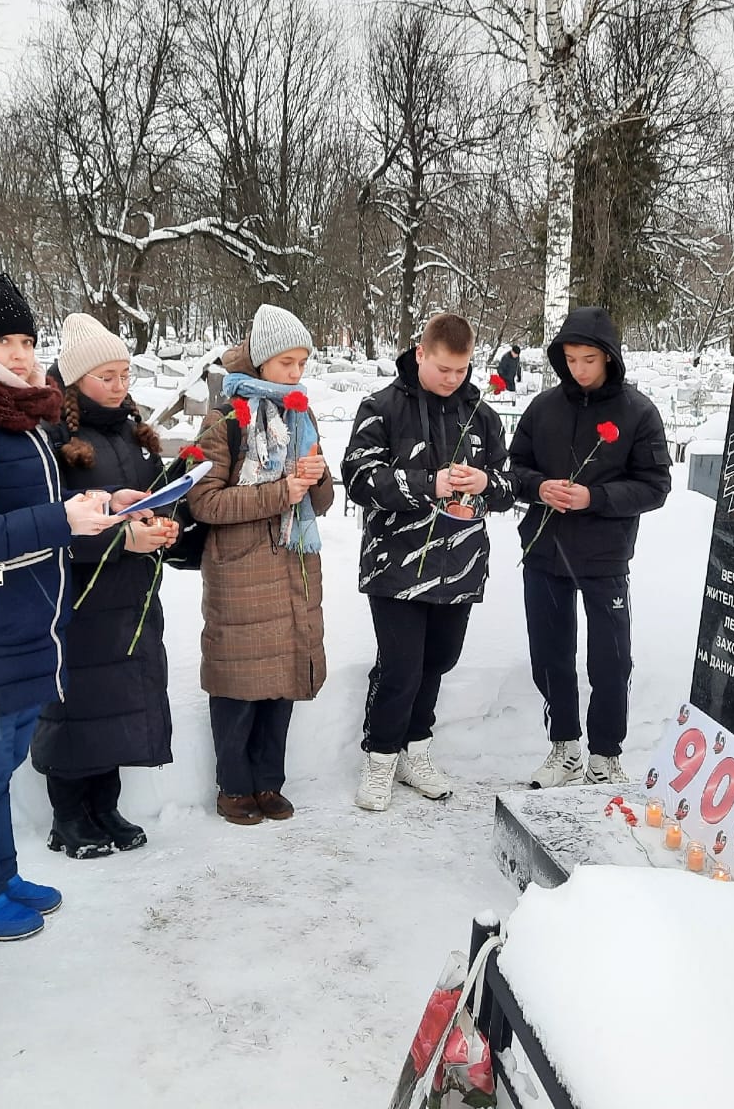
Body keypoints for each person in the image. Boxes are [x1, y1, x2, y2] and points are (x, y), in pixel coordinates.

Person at [0, 275, 143, 941]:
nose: (18, 353)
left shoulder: (14, 412)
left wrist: (102, 505)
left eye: (25, 340)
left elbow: (37, 509)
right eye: (1, 341)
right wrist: (60, 520)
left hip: (24, 623)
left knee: (1, 760)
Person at [342, 312, 516, 811]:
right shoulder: (381, 407)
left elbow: (507, 488)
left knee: (438, 663)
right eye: (442, 368)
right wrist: (427, 486)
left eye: (460, 371)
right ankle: (380, 758)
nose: (452, 379)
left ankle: (416, 749)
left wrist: (483, 488)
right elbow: (357, 478)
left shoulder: (480, 413)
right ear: (420, 353)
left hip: (459, 565)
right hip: (395, 564)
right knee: (401, 668)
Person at [33, 313, 178, 860]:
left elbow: (149, 497)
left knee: (121, 696)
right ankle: (68, 814)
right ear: (74, 381)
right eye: (106, 377)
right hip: (78, 596)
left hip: (131, 591)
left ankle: (105, 806)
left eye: (125, 374)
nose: (120, 387)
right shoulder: (53, 439)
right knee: (77, 701)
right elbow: (51, 525)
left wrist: (164, 525)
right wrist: (120, 542)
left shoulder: (129, 431)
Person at [509, 306, 671, 787]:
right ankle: (564, 749)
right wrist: (538, 488)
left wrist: (594, 497)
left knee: (611, 656)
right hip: (545, 553)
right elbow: (515, 469)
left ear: (609, 359)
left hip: (604, 557)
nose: (579, 369)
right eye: (571, 359)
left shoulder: (638, 412)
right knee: (551, 654)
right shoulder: (543, 408)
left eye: (589, 360)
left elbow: (655, 485)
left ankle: (605, 754)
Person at [186, 303, 332, 826]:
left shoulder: (300, 412)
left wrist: (314, 477)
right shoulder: (227, 417)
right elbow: (205, 503)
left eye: (302, 364)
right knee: (239, 686)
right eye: (287, 363)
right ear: (263, 360)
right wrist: (279, 492)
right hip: (241, 569)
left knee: (283, 680)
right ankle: (234, 787)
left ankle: (269, 782)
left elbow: (322, 502)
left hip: (292, 562)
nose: (296, 374)